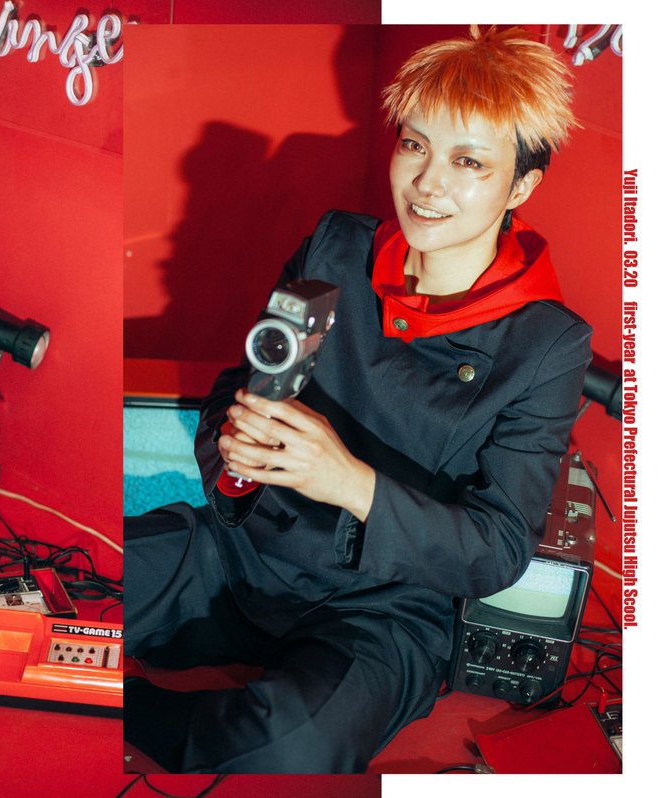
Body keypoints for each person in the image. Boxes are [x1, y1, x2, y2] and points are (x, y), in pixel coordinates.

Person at [123, 27, 591, 773]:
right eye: (415, 145)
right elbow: (239, 387)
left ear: (521, 187)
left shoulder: (545, 344)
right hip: (241, 550)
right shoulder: (337, 247)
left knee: (293, 749)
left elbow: (499, 549)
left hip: (383, 607)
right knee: (69, 602)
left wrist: (350, 482)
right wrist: (233, 453)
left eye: (469, 162)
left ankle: (148, 716)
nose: (427, 183)